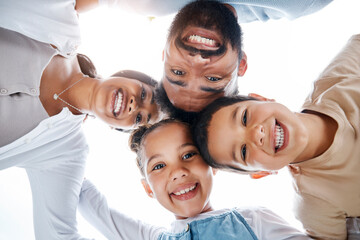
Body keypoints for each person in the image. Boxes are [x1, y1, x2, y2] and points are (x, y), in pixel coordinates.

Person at [0, 1, 159, 239]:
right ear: (126, 75)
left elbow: (55, 235)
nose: (135, 104)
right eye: (144, 94)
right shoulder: (61, 23)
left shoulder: (67, 152)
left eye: (139, 118)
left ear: (119, 128)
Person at [191, 34, 360, 239]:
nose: (256, 134)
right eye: (243, 151)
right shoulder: (314, 204)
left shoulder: (337, 81)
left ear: (260, 98)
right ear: (261, 173)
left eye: (245, 117)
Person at [78, 119, 311, 239]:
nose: (178, 171)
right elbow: (90, 202)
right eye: (159, 166)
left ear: (212, 164)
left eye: (188, 155)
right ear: (148, 188)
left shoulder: (253, 220)